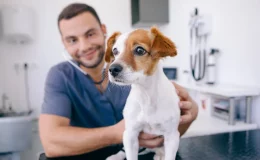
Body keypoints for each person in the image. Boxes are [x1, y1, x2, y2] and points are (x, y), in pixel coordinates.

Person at [39, 3, 199, 160]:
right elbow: (51, 144)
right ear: (64, 43)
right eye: (72, 40)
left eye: (90, 34)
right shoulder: (60, 76)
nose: (84, 46)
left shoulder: (146, 77)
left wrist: (191, 112)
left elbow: (169, 131)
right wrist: (118, 132)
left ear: (103, 31)